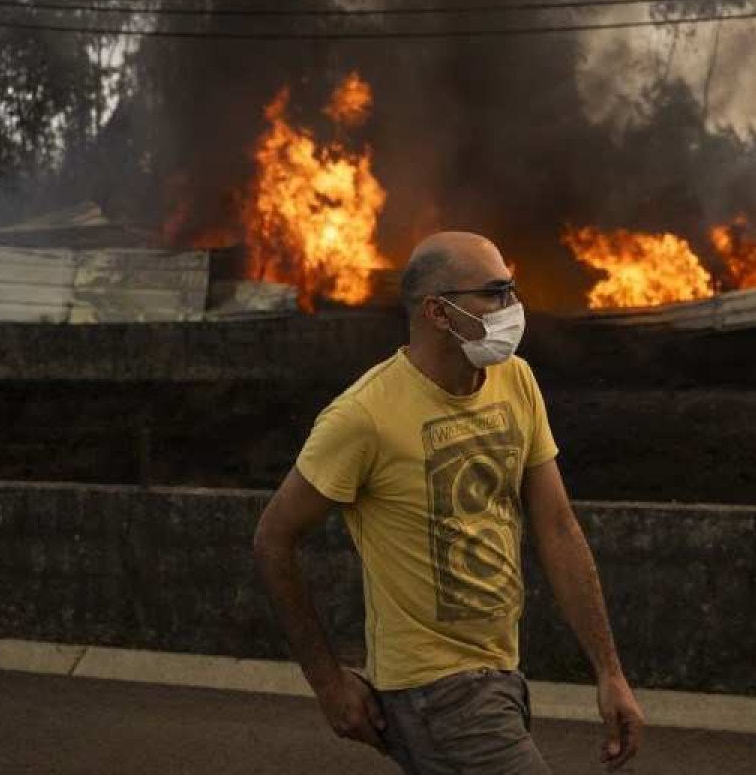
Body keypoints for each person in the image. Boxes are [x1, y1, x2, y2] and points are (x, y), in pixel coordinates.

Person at [254, 231, 645, 772]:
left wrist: (609, 672)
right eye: (495, 292)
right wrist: (327, 681)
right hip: (435, 691)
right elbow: (274, 538)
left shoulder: (517, 380)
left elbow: (557, 528)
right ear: (438, 312)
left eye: (513, 289)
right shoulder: (362, 416)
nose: (514, 307)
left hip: (502, 671)